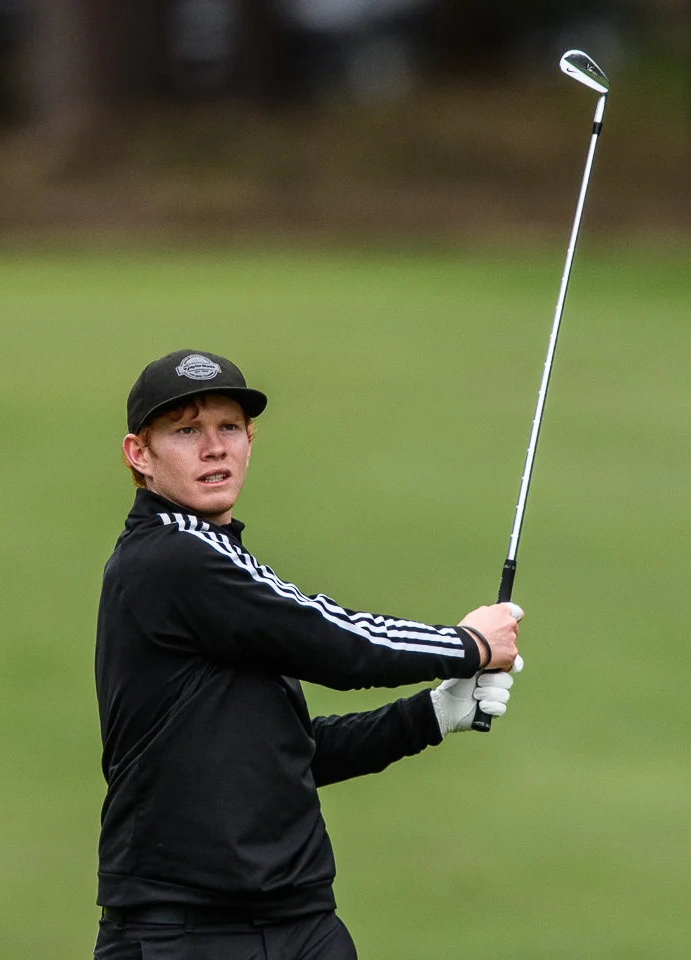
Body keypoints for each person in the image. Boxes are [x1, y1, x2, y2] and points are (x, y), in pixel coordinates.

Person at [94, 349, 524, 960]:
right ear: (140, 454)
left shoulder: (217, 561)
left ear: (249, 441)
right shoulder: (172, 558)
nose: (214, 448)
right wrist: (469, 644)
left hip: (301, 923)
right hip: (183, 934)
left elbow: (283, 753)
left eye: (229, 427)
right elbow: (337, 642)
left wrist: (431, 715)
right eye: (186, 431)